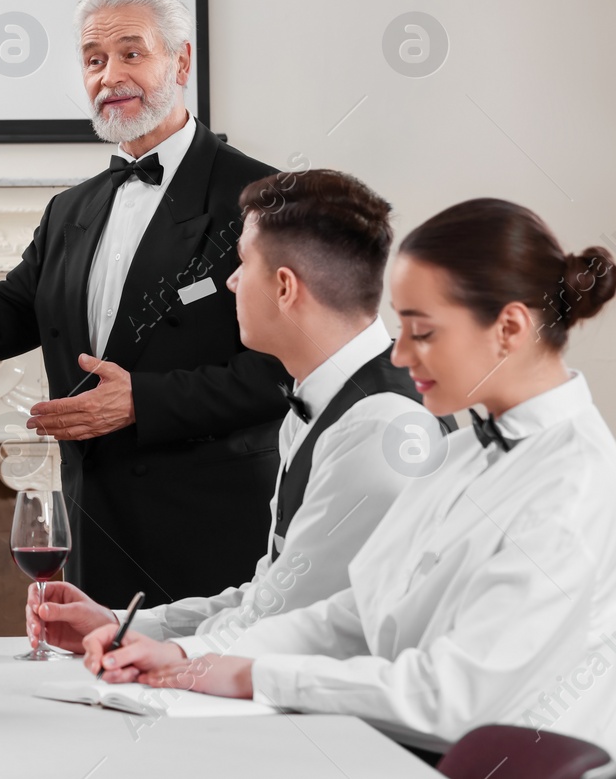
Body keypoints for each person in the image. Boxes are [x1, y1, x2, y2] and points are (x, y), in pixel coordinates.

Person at [86, 199, 616, 757]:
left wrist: (250, 676)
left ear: (509, 327)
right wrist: (193, 660)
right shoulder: (464, 452)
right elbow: (357, 615)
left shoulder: (577, 482)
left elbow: (452, 699)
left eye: (423, 331)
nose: (403, 353)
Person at [0, 0, 288, 606]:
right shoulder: (70, 211)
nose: (110, 75)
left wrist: (143, 401)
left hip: (215, 539)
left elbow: (285, 370)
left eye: (131, 53)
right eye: (94, 60)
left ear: (182, 61)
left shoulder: (260, 197)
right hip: (98, 532)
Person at [26, 168, 444, 653]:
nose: (230, 282)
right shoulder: (313, 407)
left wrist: (167, 655)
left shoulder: (377, 427)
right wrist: (117, 623)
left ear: (285, 287)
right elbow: (267, 598)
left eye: (243, 263)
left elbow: (289, 628)